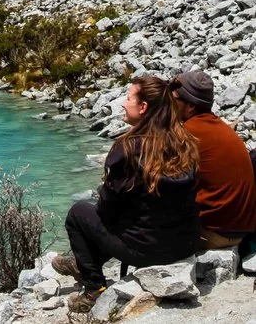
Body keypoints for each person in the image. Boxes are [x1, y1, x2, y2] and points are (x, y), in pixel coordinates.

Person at [55, 74, 204, 309]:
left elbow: (106, 210)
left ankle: (94, 288)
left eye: (128, 98)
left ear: (143, 107)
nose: (123, 103)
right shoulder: (185, 142)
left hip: (148, 250)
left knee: (79, 213)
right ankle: (82, 264)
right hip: (186, 243)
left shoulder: (128, 148)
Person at [171, 69, 256, 248]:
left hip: (213, 233)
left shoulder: (187, 133)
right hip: (240, 230)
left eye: (174, 98)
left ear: (190, 106)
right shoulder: (221, 127)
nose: (169, 101)